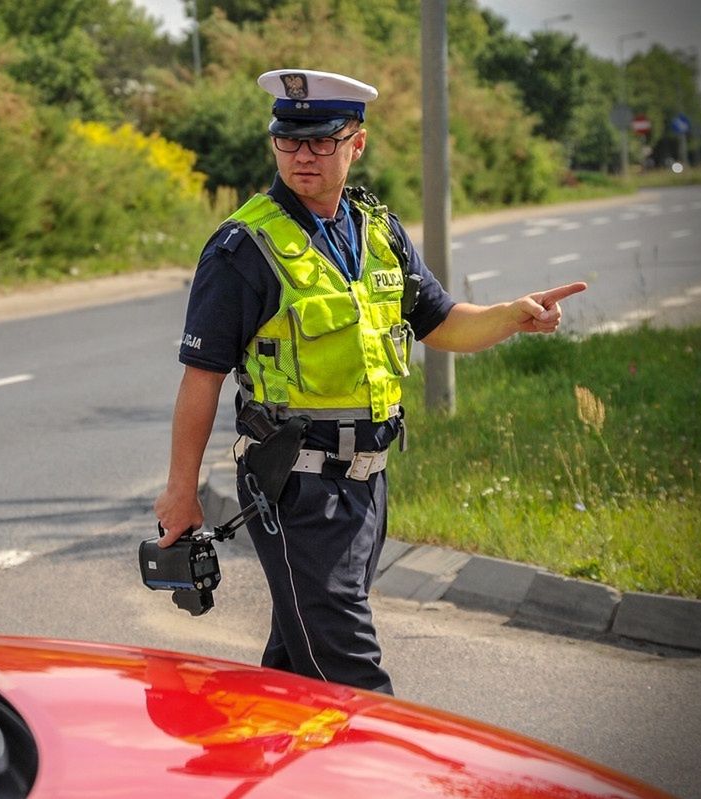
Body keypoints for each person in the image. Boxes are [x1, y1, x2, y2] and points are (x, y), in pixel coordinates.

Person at [152, 68, 586, 695]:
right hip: (293, 487)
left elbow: (440, 322)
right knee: (352, 679)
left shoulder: (377, 231)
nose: (302, 155)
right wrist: (180, 491)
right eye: (288, 140)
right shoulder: (241, 247)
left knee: (298, 664)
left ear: (357, 142)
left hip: (367, 486)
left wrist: (512, 318)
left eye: (322, 140)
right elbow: (202, 379)